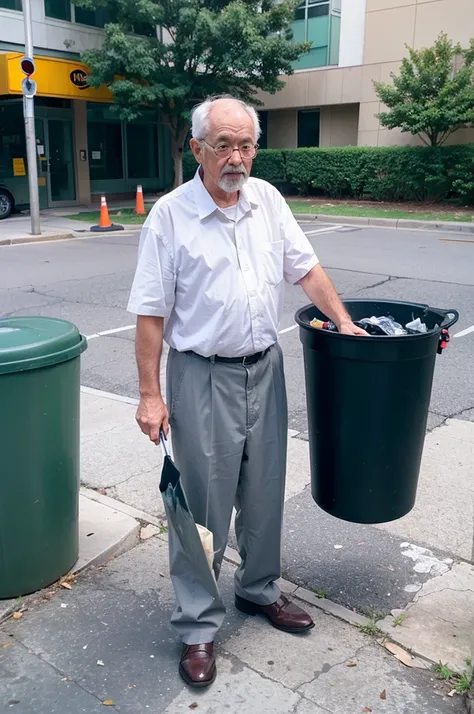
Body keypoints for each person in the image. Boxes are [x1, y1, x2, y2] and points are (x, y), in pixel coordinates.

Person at [127, 95, 367, 688]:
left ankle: (258, 590)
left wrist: (344, 322)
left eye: (246, 145)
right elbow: (151, 316)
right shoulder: (170, 216)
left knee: (263, 492)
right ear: (196, 149)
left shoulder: (268, 201)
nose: (237, 158)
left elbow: (306, 269)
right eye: (223, 145)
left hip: (265, 367)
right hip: (200, 374)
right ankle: (198, 625)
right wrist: (150, 395)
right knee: (203, 505)